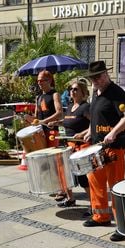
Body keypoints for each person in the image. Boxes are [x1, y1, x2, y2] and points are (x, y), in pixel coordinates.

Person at [82, 61, 125, 242]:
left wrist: (113, 132)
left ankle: (123, 226)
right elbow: (96, 116)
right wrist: (90, 131)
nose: (94, 80)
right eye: (91, 78)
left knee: (116, 187)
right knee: (95, 181)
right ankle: (101, 217)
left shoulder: (116, 92)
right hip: (97, 146)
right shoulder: (96, 92)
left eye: (97, 77)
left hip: (114, 147)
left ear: (105, 75)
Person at [48, 78, 91, 208]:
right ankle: (70, 198)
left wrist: (83, 133)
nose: (72, 91)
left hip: (81, 146)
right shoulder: (70, 107)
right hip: (68, 145)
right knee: (65, 173)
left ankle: (94, 204)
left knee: (83, 177)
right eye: (71, 89)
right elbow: (68, 121)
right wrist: (57, 123)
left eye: (75, 89)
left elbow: (94, 124)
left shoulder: (86, 107)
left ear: (83, 92)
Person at [25, 70, 64, 199]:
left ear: (49, 80)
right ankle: (51, 186)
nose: (39, 83)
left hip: (51, 130)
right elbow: (37, 116)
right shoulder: (38, 97)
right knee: (43, 161)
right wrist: (29, 119)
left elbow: (59, 112)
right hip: (40, 132)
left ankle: (61, 190)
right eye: (38, 81)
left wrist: (43, 121)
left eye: (42, 80)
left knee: (54, 161)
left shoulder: (55, 95)